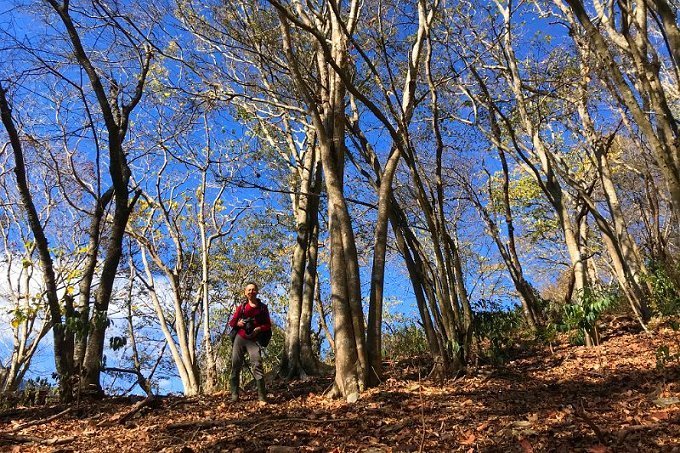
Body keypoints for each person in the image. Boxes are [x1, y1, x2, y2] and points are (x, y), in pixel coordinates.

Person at [228, 282, 272, 402]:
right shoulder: (242, 307)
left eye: (253, 289)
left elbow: (268, 324)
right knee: (236, 365)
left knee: (257, 364)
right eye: (249, 290)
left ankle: (262, 397)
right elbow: (232, 323)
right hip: (240, 338)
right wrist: (238, 323)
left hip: (254, 339)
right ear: (245, 292)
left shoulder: (262, 307)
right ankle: (234, 396)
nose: (251, 292)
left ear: (257, 291)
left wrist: (259, 329)